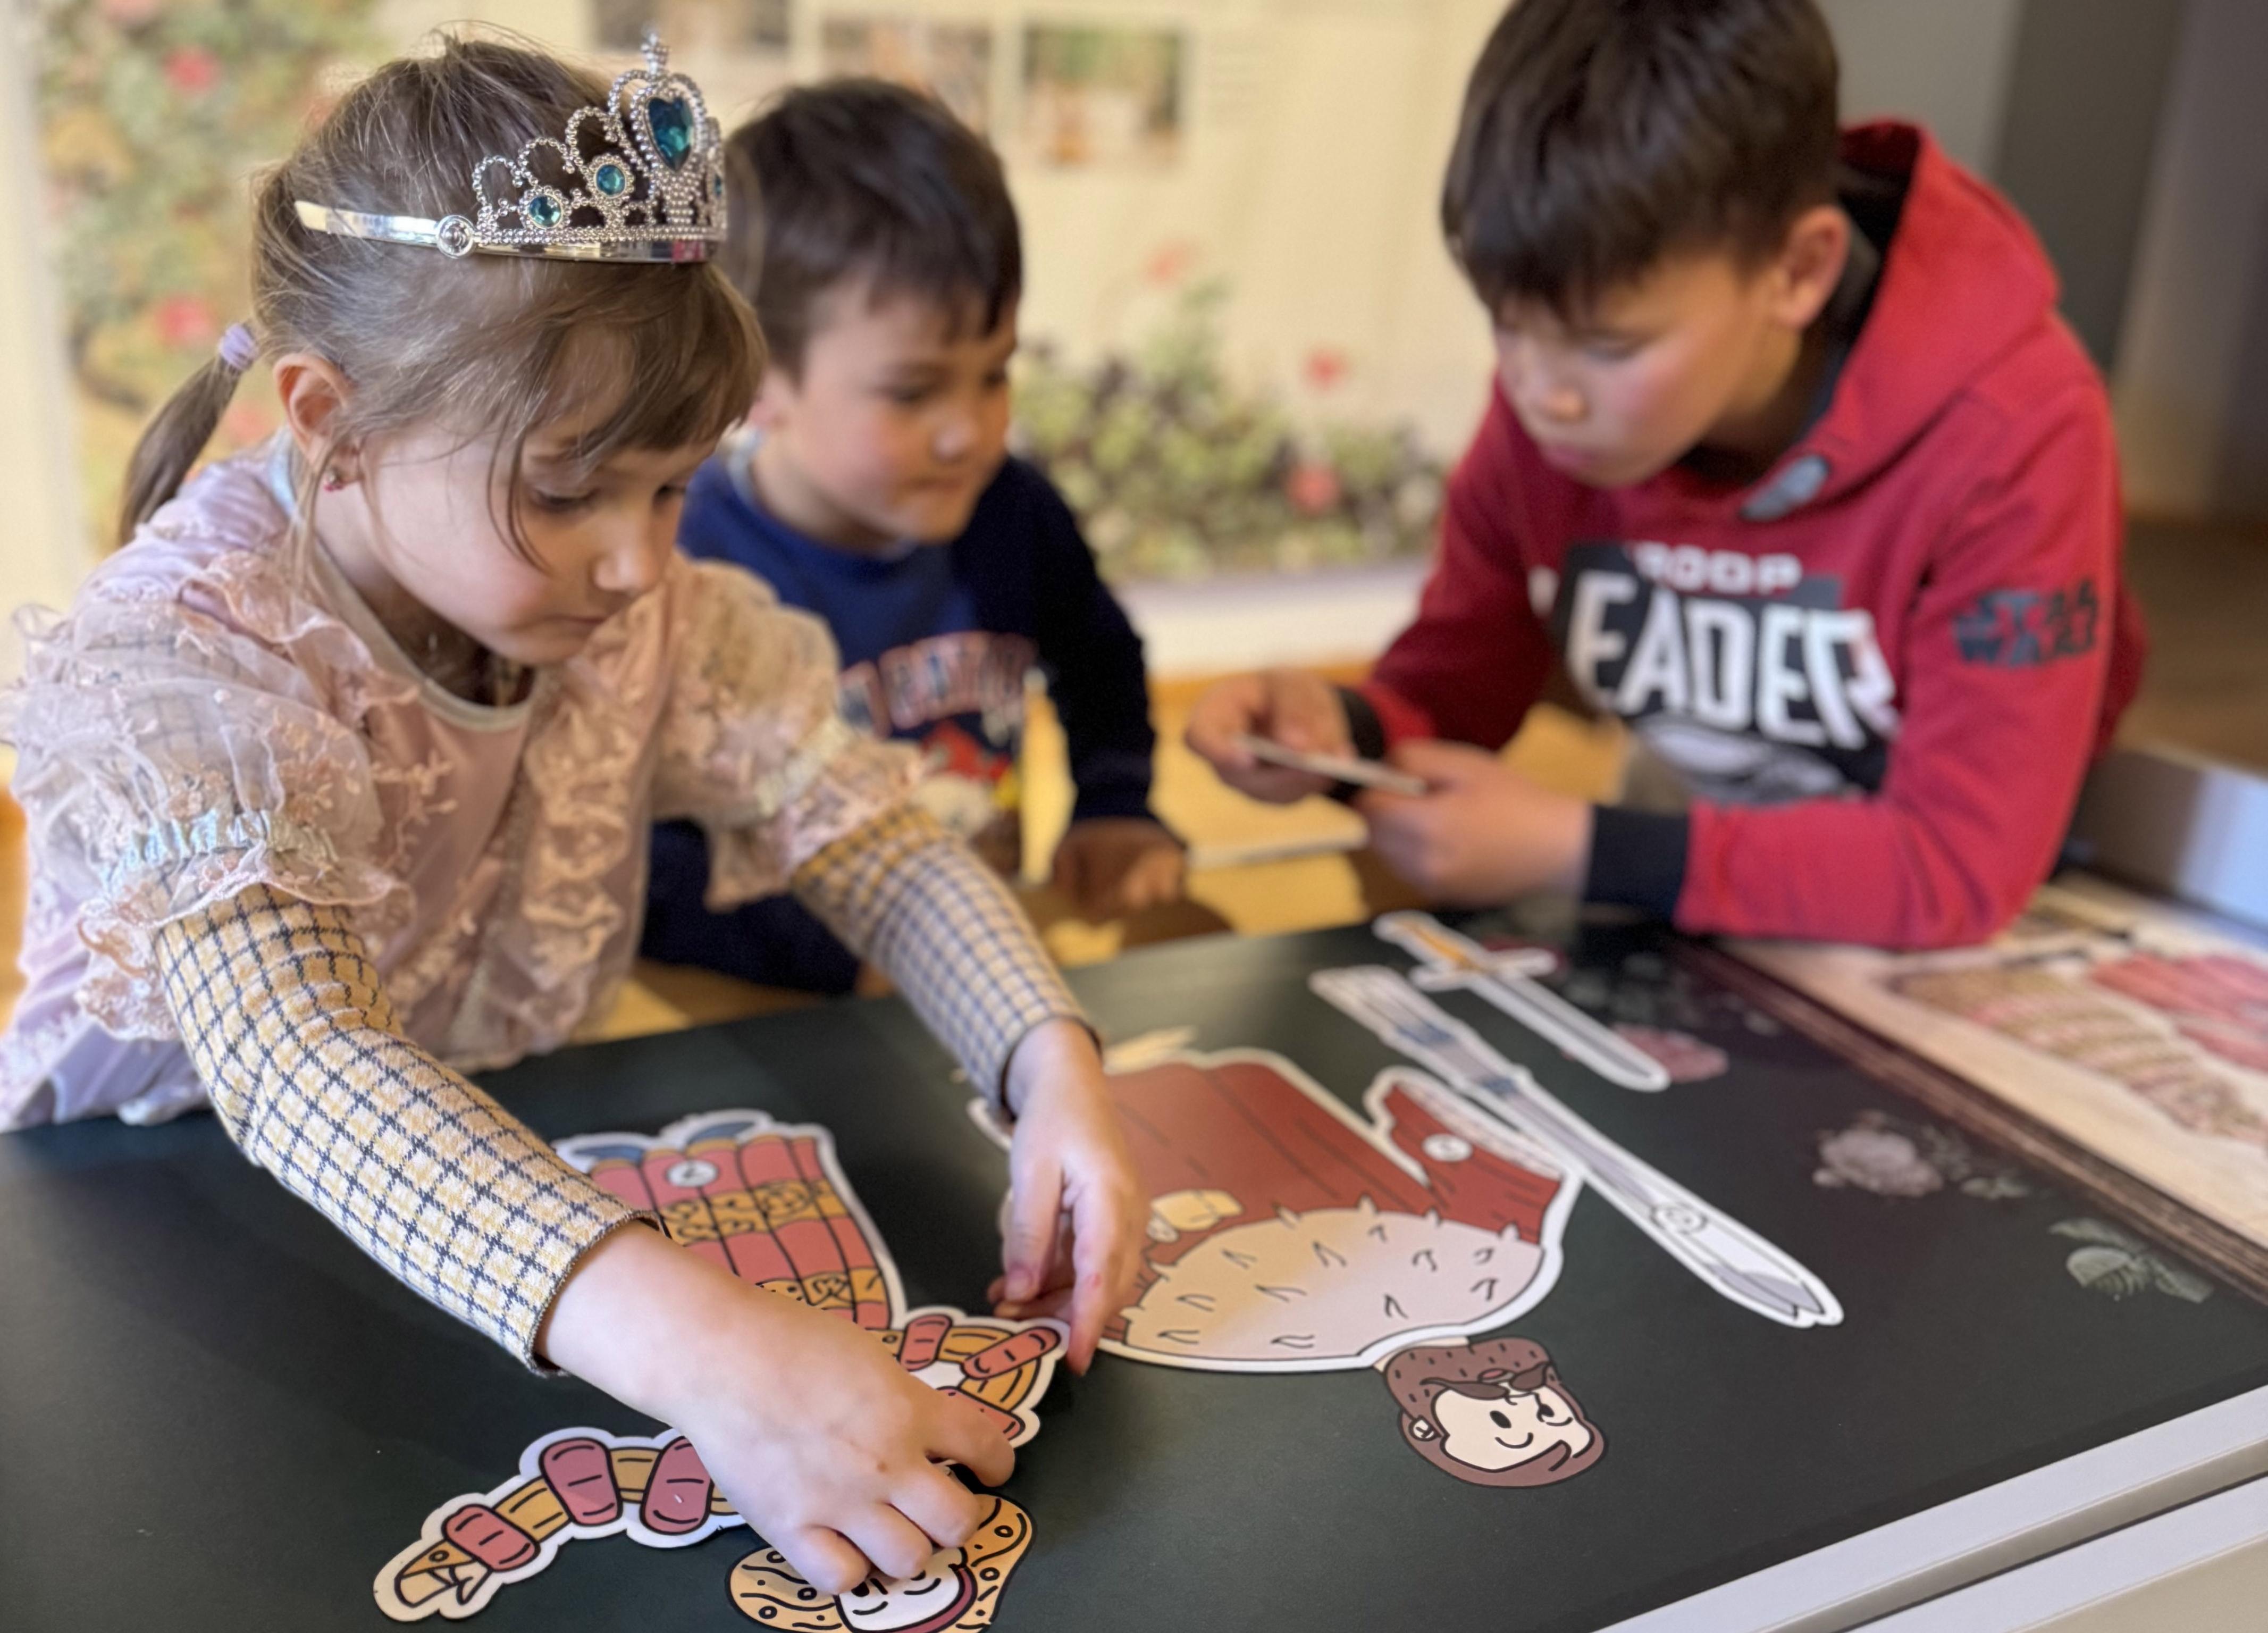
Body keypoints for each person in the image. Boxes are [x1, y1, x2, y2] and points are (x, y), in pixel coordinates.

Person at [0, 35, 1140, 1597]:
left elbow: (867, 838)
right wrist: (730, 1364)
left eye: (673, 490)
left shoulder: (636, 613)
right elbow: (296, 1055)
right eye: (567, 491)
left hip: (488, 1202)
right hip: (150, 1245)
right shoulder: (190, 657)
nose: (635, 564)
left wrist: (1048, 1060)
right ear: (333, 419)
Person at [1187, 0, 2145, 951]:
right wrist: (1339, 733)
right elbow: (1460, 674)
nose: (1539, 393)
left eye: (1610, 345)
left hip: (1937, 948)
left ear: (1796, 270)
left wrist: (1580, 848)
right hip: (1675, 887)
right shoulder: (1559, 396)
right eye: (1506, 322)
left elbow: (1954, 865)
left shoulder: (2014, 430)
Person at [641, 79, 1182, 994]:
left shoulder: (1018, 512)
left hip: (968, 990)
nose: (967, 431)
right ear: (756, 377)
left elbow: (1100, 656)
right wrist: (834, 951)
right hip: (759, 1012)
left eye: (994, 374)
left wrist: (1117, 806)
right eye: (912, 391)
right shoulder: (680, 564)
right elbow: (639, 857)